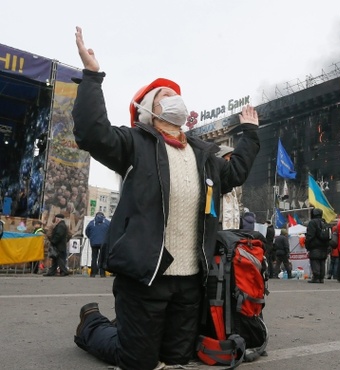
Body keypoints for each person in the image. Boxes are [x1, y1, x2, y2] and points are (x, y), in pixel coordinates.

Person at [71, 27, 260, 370]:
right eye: (163, 96)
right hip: (146, 276)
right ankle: (91, 325)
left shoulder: (204, 156)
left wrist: (249, 133)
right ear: (149, 111)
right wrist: (92, 76)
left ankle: (130, 331)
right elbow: (91, 133)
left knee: (177, 359)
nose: (173, 97)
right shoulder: (135, 144)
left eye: (175, 93)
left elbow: (235, 173)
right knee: (138, 361)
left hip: (190, 281)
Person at [217, 145, 241, 230]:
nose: (230, 161)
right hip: (218, 223)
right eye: (228, 157)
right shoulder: (214, 176)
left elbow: (239, 201)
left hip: (233, 224)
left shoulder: (236, 183)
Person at [306, 208, 330, 283]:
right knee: (322, 261)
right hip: (324, 245)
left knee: (315, 260)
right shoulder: (324, 222)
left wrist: (307, 244)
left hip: (315, 245)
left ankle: (316, 276)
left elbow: (310, 235)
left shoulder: (312, 222)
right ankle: (321, 277)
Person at [85, 211, 110, 277]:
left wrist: (91, 238)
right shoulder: (107, 222)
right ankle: (102, 273)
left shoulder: (91, 222)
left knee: (94, 258)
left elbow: (87, 231)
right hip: (104, 243)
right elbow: (111, 231)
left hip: (94, 243)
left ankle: (93, 273)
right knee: (102, 258)